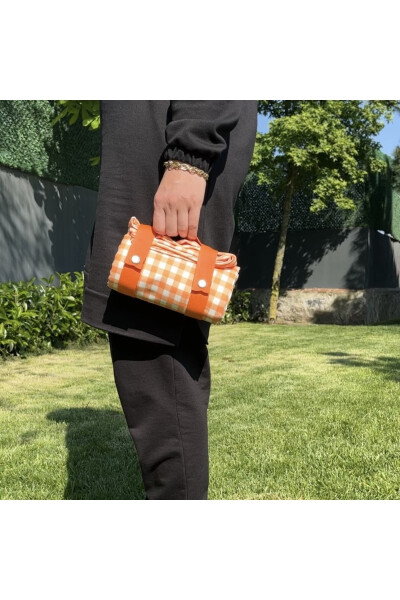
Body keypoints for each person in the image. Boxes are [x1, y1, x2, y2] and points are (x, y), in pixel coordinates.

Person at [81, 100, 258, 500]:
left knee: (159, 367)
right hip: (161, 153)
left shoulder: (184, 156)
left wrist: (187, 160)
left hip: (169, 161)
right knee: (155, 371)